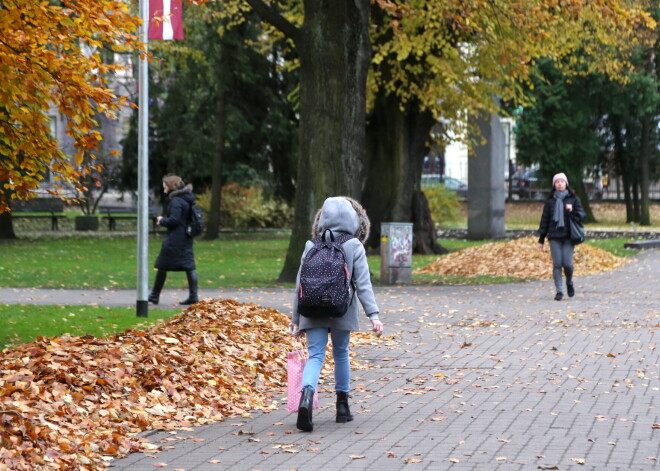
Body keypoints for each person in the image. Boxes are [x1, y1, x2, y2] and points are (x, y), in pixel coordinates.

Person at [289, 196, 384, 432]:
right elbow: (363, 284)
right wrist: (373, 315)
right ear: (354, 219)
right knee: (341, 353)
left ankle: (306, 398)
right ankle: (342, 408)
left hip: (312, 310)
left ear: (323, 218)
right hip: (342, 309)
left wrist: (295, 320)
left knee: (316, 356)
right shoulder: (353, 246)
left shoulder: (311, 245)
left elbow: (299, 284)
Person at [148, 174, 199, 305]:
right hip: (185, 236)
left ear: (170, 186)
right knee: (189, 265)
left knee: (162, 265)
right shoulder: (186, 199)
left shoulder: (176, 201)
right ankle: (193, 296)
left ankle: (154, 295)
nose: (163, 187)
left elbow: (175, 220)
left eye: (165, 185)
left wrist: (162, 220)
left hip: (175, 238)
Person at [537, 173, 586, 301]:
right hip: (554, 237)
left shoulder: (574, 199)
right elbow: (545, 220)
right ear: (554, 185)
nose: (559, 184)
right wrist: (541, 239)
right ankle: (559, 291)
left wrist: (572, 210)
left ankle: (569, 282)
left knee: (567, 264)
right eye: (557, 182)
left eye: (562, 181)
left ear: (566, 184)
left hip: (569, 237)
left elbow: (582, 216)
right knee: (557, 264)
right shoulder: (550, 201)